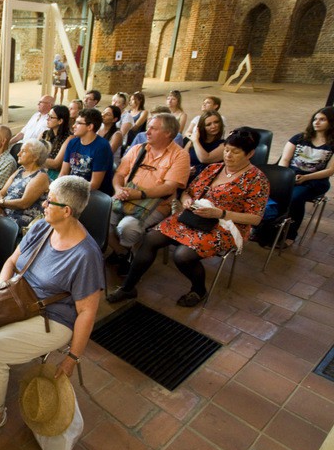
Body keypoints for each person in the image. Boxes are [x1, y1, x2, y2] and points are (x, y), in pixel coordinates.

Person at [0, 176, 104, 440]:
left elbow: (87, 312)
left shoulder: (86, 255)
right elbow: (12, 261)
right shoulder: (42, 227)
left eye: (49, 200)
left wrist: (72, 358)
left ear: (67, 211)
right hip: (18, 296)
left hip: (53, 318)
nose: (43, 203)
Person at [108, 129, 269, 306]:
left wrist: (220, 213)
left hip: (225, 225)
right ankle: (128, 287)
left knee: (183, 256)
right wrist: (187, 201)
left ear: (250, 154)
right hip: (196, 215)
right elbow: (188, 192)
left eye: (235, 152)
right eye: (226, 150)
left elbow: (255, 218)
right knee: (151, 238)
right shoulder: (214, 168)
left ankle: (199, 290)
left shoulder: (257, 180)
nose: (228, 155)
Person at [107, 113, 191, 274]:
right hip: (126, 195)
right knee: (102, 216)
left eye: (153, 128)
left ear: (168, 133)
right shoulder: (138, 149)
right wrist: (118, 189)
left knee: (127, 227)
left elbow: (169, 188)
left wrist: (138, 194)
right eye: (148, 127)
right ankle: (122, 252)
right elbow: (119, 174)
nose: (147, 132)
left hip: (157, 203)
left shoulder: (180, 156)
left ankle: (127, 252)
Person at [278, 106, 334, 245]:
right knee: (273, 192)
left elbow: (330, 170)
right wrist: (285, 177)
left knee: (295, 198)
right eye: (315, 119)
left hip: (315, 181)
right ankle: (267, 228)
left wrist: (306, 178)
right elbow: (284, 160)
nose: (317, 122)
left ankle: (290, 235)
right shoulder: (299, 138)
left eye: (322, 119)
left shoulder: (332, 144)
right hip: (290, 176)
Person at [0, 139, 50, 230]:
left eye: (23, 151)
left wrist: (1, 203)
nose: (18, 154)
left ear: (35, 157)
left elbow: (24, 203)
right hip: (4, 210)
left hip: (20, 216)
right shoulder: (20, 170)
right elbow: (1, 192)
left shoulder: (41, 176)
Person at [59, 108, 114, 195]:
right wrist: (58, 188)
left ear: (90, 127)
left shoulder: (102, 147)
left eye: (78, 123)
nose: (73, 126)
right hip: (72, 190)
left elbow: (95, 184)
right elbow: (63, 172)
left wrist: (69, 192)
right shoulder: (73, 142)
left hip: (92, 194)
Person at [185, 110, 226, 180]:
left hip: (207, 181)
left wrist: (195, 141)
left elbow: (205, 159)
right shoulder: (192, 142)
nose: (213, 126)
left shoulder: (224, 145)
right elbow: (182, 158)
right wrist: (186, 169)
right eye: (208, 124)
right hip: (187, 177)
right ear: (202, 127)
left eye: (216, 122)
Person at [41, 104, 71, 180]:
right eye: (48, 116)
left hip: (56, 174)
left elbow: (56, 164)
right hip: (41, 170)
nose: (47, 119)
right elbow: (33, 150)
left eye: (51, 117)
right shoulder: (45, 134)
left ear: (60, 121)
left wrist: (35, 159)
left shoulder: (69, 138)